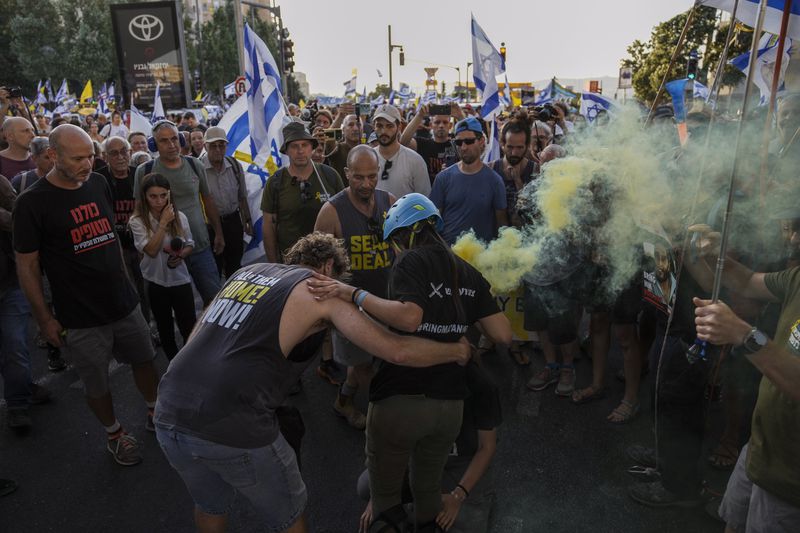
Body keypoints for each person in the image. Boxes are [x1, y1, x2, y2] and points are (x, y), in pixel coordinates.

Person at [155, 231, 473, 533]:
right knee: (289, 515)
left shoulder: (245, 273)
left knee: (210, 505)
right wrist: (455, 350)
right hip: (233, 421)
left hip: (169, 412)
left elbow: (197, 336)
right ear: (328, 268)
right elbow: (396, 350)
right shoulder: (320, 289)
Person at [307, 194, 512, 532]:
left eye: (393, 244)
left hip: (401, 398)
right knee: (427, 493)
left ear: (403, 235)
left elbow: (410, 317)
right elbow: (502, 334)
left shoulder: (409, 262)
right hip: (450, 405)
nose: (394, 252)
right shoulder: (465, 270)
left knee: (384, 502)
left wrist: (353, 294)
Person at [13, 124, 159, 466]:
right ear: (53, 156)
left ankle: (155, 411)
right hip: (79, 315)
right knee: (96, 381)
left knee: (145, 359)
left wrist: (129, 287)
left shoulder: (98, 183)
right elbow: (28, 267)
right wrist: (44, 318)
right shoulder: (31, 203)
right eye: (78, 158)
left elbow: (109, 239)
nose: (87, 164)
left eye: (90, 156)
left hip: (123, 301)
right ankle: (115, 434)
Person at [686, 223, 800, 532]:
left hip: (791, 479)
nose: (791, 238)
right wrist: (713, 254)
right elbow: (748, 282)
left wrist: (744, 334)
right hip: (761, 448)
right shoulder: (796, 277)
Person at [356, 360, 502, 533]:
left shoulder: (482, 386)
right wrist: (380, 497)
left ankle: (417, 509)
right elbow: (392, 440)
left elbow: (486, 447)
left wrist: (458, 494)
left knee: (461, 524)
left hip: (460, 465)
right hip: (419, 456)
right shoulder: (408, 375)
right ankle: (412, 510)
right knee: (367, 486)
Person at [314, 145, 395, 429]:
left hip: (386, 301)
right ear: (346, 173)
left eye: (372, 176)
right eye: (358, 177)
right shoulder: (331, 211)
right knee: (364, 367)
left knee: (373, 362)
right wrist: (329, 309)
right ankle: (387, 421)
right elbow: (317, 266)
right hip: (350, 306)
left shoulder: (390, 202)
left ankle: (344, 401)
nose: (366, 184)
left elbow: (403, 250)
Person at [134, 120, 225, 305]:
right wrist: (142, 245)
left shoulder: (194, 165)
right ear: (154, 144)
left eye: (175, 139)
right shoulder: (144, 171)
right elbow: (138, 210)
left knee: (214, 300)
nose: (171, 145)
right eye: (164, 141)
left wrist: (219, 232)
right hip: (164, 252)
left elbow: (208, 200)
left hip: (199, 245)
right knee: (178, 307)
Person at [129, 173, 196, 360]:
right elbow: (150, 250)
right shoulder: (137, 221)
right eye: (153, 196)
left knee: (189, 328)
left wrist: (180, 255)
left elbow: (190, 243)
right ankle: (174, 367)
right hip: (155, 282)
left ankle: (190, 365)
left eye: (163, 195)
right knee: (165, 330)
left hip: (180, 280)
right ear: (144, 196)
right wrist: (164, 223)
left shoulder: (180, 216)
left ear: (169, 194)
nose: (159, 201)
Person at [260, 121, 344, 263]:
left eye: (304, 145)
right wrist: (275, 264)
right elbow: (269, 226)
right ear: (286, 150)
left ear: (312, 147)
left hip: (327, 261)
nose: (300, 151)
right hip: (290, 262)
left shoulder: (329, 176)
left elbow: (343, 216)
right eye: (294, 146)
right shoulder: (275, 182)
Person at [429, 117, 508, 245]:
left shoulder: (495, 181)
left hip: (481, 259)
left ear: (481, 141)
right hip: (449, 258)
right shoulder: (443, 178)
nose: (463, 147)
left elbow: (502, 227)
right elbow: (433, 222)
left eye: (469, 141)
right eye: (459, 142)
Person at [201, 126, 252, 278]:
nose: (218, 149)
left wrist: (247, 219)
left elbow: (242, 196)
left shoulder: (235, 166)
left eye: (221, 145)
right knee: (213, 269)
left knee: (235, 267)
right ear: (205, 146)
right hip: (208, 226)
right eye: (213, 145)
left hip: (233, 222)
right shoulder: (198, 168)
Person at [372, 104, 431, 199]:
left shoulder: (415, 160)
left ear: (399, 127)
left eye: (389, 126)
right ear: (373, 126)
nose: (384, 131)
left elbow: (424, 200)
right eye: (379, 126)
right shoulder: (367, 159)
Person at [400, 103, 464, 185]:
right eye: (437, 122)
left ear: (450, 125)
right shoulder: (424, 144)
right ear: (431, 125)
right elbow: (403, 142)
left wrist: (460, 116)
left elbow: (472, 141)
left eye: (445, 122)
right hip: (429, 193)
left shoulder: (457, 144)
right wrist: (419, 115)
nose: (441, 126)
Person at [323, 113, 362, 181]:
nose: (355, 128)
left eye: (358, 125)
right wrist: (340, 116)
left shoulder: (367, 149)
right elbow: (329, 140)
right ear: (343, 130)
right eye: (350, 125)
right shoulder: (338, 149)